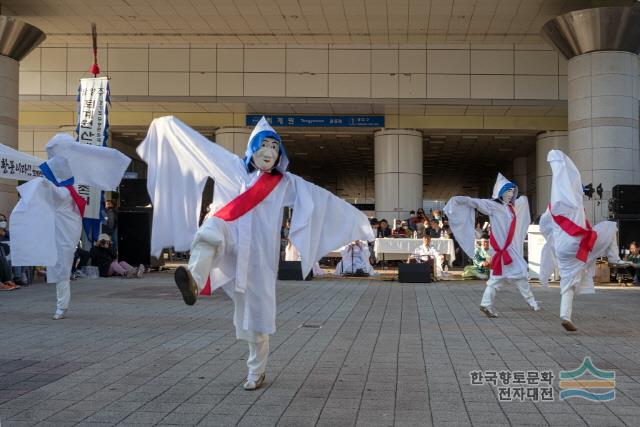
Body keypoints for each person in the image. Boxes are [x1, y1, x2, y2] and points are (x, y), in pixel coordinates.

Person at [138, 116, 374, 391]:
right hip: (231, 240)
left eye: (276, 147)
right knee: (211, 230)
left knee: (256, 319)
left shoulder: (285, 183)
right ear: (252, 148)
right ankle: (194, 280)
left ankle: (257, 371)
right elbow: (200, 148)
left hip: (259, 257)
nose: (270, 152)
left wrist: (356, 220)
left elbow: (321, 199)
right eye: (266, 145)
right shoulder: (231, 167)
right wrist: (169, 126)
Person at [9, 135, 130, 320]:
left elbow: (56, 195)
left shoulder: (65, 191)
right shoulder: (61, 188)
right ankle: (60, 301)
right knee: (58, 264)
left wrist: (44, 184)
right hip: (57, 228)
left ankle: (61, 305)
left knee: (63, 267)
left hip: (66, 230)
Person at [539, 150, 626, 332]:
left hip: (563, 249)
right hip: (578, 243)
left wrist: (552, 241)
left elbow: (544, 225)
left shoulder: (551, 208)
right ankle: (614, 258)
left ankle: (565, 315)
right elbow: (571, 186)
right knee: (610, 226)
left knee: (568, 283)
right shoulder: (574, 203)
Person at [445, 173, 539, 318]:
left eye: (513, 192)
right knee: (508, 275)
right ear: (500, 192)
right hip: (501, 249)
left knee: (514, 275)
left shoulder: (510, 208)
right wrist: (461, 200)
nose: (511, 194)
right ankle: (528, 303)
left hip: (509, 249)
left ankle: (531, 303)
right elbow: (475, 202)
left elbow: (521, 203)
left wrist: (522, 199)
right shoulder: (493, 205)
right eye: (508, 191)